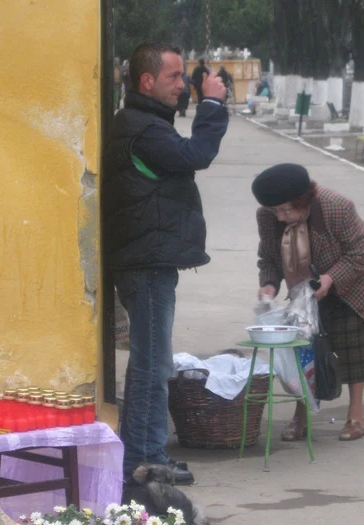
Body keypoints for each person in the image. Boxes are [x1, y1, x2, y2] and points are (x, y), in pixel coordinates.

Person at [103, 42, 227, 488]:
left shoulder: (143, 121)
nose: (181, 86)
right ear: (146, 81)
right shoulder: (143, 129)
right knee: (154, 366)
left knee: (148, 362)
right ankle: (146, 459)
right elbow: (195, 156)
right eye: (174, 77)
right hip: (146, 261)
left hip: (147, 257)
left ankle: (140, 455)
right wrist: (212, 103)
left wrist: (200, 94)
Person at [251, 163, 364, 442]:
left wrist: (331, 278)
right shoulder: (268, 215)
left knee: (354, 348)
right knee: (304, 347)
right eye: (275, 211)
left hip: (354, 281)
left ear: (303, 200)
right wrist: (269, 286)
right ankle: (302, 414)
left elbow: (362, 252)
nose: (281, 217)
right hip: (306, 287)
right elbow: (269, 257)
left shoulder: (336, 207)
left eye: (286, 210)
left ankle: (356, 414)